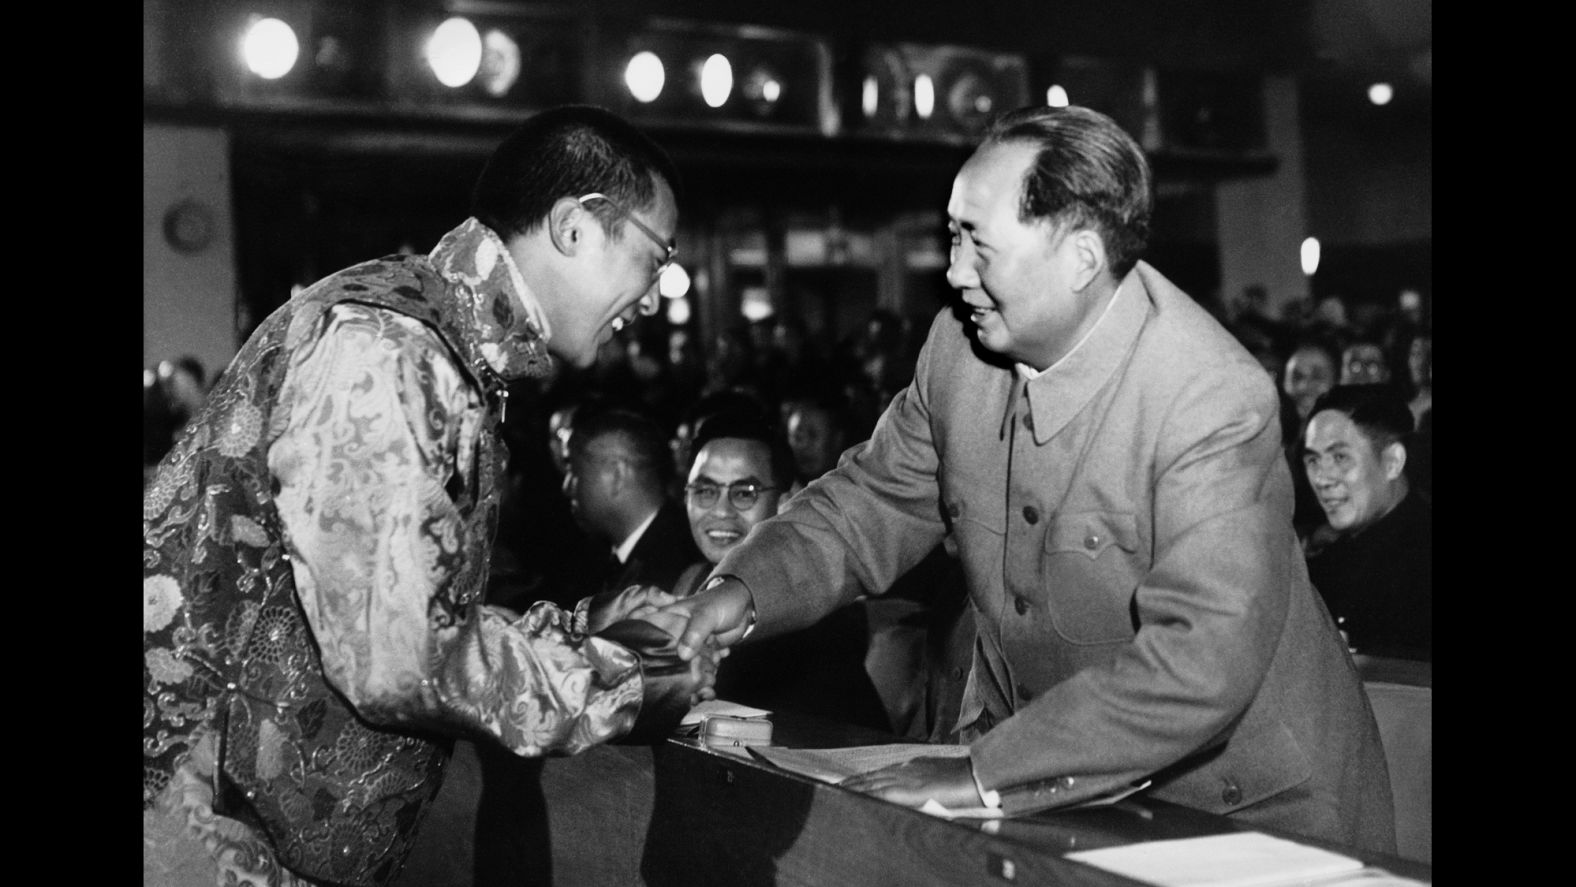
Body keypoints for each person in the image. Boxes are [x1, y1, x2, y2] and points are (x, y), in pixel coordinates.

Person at [659, 105, 1395, 852]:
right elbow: (868, 501)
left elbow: (1201, 658)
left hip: (1252, 804)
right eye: (952, 237)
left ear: (1079, 257)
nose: (953, 272)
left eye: (978, 243)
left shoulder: (1209, 396)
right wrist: (736, 595)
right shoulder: (958, 348)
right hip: (1056, 782)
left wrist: (985, 774)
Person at [143, 105, 719, 887]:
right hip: (200, 839)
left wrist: (581, 630)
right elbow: (399, 657)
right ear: (577, 226)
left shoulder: (440, 343)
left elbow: (399, 602)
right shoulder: (387, 349)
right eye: (657, 257)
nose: (656, 295)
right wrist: (618, 683)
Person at [672, 410, 891, 732]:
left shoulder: (806, 608)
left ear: (788, 501)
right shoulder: (690, 583)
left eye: (744, 493)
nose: (720, 511)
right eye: (705, 491)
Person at [1301, 385, 1431, 661]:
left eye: (1340, 458)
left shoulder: (1421, 565)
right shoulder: (1327, 564)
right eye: (1313, 460)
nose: (1322, 478)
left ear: (1392, 462)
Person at [564, 404, 702, 593]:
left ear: (616, 475)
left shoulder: (669, 572)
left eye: (574, 471)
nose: (566, 486)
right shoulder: (613, 556)